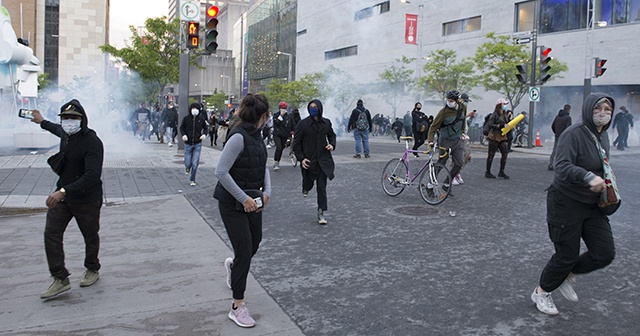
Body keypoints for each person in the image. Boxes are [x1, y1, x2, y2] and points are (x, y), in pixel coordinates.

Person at [531, 93, 617, 316]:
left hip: (592, 205)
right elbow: (562, 166)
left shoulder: (603, 135)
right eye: (598, 108)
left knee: (604, 252)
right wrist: (588, 177)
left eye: (607, 110)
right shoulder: (574, 134)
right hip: (565, 202)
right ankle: (542, 292)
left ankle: (566, 275)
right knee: (566, 255)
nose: (603, 113)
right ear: (588, 109)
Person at [30, 99, 104, 299]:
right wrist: (41, 121)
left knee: (90, 235)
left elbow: (92, 175)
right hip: (63, 198)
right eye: (65, 118)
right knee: (51, 233)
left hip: (87, 199)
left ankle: (92, 268)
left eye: (74, 118)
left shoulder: (92, 142)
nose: (69, 121)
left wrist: (63, 191)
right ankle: (60, 278)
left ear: (82, 120)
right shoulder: (65, 133)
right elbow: (55, 129)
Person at [213, 93, 272, 328]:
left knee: (254, 243)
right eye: (267, 115)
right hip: (231, 203)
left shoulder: (258, 135)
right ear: (262, 115)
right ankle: (237, 305)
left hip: (253, 200)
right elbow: (221, 171)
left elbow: (262, 164)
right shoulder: (238, 137)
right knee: (245, 250)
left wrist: (267, 192)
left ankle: (233, 266)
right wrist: (243, 197)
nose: (268, 118)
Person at [292, 99, 337, 225]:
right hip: (309, 160)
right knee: (308, 181)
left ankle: (321, 211)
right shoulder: (302, 124)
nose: (313, 109)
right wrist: (301, 158)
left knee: (321, 187)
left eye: (315, 107)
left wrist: (332, 145)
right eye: (311, 107)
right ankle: (305, 188)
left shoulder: (326, 123)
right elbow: (296, 144)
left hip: (323, 160)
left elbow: (332, 136)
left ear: (320, 108)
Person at [427, 90, 471, 195]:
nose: (449, 102)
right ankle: (430, 185)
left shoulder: (463, 108)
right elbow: (433, 127)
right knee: (442, 162)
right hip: (445, 140)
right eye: (448, 100)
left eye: (451, 100)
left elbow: (463, 120)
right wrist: (430, 141)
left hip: (457, 140)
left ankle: (447, 183)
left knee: (459, 163)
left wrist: (463, 132)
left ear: (456, 101)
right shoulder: (443, 112)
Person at [180, 103, 208, 186]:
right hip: (188, 143)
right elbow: (181, 128)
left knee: (195, 163)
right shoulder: (186, 119)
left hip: (197, 143)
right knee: (188, 162)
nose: (194, 110)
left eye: (196, 108)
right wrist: (184, 135)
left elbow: (206, 128)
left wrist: (204, 135)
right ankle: (187, 167)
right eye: (193, 108)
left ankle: (192, 179)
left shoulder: (201, 119)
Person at [484, 98, 511, 179]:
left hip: (502, 137)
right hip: (494, 137)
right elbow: (490, 124)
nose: (505, 106)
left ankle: (501, 172)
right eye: (504, 104)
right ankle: (488, 172)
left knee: (505, 153)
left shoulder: (505, 114)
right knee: (491, 155)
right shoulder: (494, 114)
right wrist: (500, 126)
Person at [272, 101, 295, 171]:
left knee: (281, 148)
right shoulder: (276, 115)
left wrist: (293, 132)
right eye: (281, 108)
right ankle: (276, 162)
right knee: (278, 147)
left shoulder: (289, 117)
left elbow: (293, 126)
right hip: (277, 134)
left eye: (284, 108)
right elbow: (276, 123)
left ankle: (277, 161)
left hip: (285, 136)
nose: (283, 109)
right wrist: (281, 116)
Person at [549, 104, 572, 170]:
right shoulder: (568, 118)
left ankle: (551, 164)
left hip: (557, 135)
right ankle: (562, 165)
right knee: (564, 151)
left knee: (555, 150)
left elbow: (552, 126)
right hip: (564, 136)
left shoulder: (557, 117)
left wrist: (556, 132)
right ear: (569, 110)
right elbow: (568, 128)